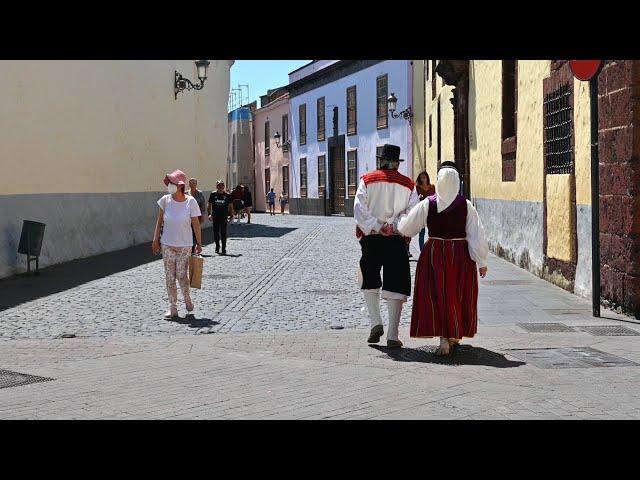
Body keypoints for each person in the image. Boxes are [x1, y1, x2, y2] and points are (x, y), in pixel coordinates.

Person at [398, 161, 489, 356]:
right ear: (457, 182)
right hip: (460, 255)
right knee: (457, 293)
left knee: (436, 294)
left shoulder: (427, 204)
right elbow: (476, 235)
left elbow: (407, 228)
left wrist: (399, 220)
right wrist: (481, 261)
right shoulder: (466, 206)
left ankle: (443, 340)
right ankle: (453, 334)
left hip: (435, 254)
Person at [354, 144, 419, 348]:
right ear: (396, 163)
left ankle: (375, 322)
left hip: (372, 238)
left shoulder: (367, 180)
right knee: (396, 284)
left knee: (369, 278)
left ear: (380, 160)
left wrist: (377, 226)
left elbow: (359, 208)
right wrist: (395, 226)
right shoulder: (408, 185)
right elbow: (413, 212)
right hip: (396, 241)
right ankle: (392, 334)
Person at [152, 169, 202, 319]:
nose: (170, 185)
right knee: (169, 276)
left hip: (185, 245)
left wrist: (199, 243)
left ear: (180, 185)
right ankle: (172, 307)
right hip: (167, 244)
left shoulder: (190, 202)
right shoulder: (165, 200)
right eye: (169, 183)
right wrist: (155, 240)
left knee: (181, 275)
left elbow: (196, 224)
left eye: (172, 183)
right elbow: (159, 221)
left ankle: (187, 299)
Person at [208, 179, 231, 255]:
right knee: (216, 232)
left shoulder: (227, 195)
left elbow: (230, 206)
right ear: (216, 186)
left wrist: (231, 215)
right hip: (215, 216)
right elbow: (209, 205)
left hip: (224, 216)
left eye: (222, 185)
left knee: (223, 233)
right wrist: (209, 214)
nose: (220, 187)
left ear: (224, 186)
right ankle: (217, 246)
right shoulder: (213, 194)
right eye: (219, 185)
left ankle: (224, 248)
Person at [415, 171, 436, 252]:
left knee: (432, 231)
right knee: (422, 232)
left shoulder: (432, 187)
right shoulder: (418, 187)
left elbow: (434, 198)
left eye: (424, 177)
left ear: (427, 178)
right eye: (421, 178)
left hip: (430, 211)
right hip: (422, 211)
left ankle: (431, 249)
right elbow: (416, 199)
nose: (423, 179)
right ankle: (422, 251)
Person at [188, 178, 207, 254]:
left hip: (196, 216)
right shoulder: (186, 193)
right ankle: (191, 248)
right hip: (187, 216)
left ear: (196, 184)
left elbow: (203, 205)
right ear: (189, 184)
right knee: (189, 232)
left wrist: (203, 215)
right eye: (191, 183)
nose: (192, 184)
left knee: (195, 231)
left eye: (194, 183)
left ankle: (195, 246)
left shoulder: (200, 193)